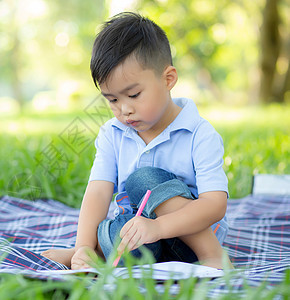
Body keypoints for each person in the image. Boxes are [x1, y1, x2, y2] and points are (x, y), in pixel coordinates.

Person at [41, 12, 232, 270]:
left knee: (143, 180)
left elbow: (215, 205)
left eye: (133, 95)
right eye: (113, 100)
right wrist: (84, 246)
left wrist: (158, 227)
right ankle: (92, 254)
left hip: (191, 242)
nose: (124, 110)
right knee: (117, 234)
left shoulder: (199, 133)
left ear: (168, 79)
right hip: (141, 238)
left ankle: (214, 257)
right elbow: (98, 191)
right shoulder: (113, 133)